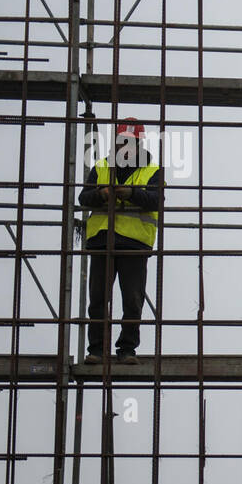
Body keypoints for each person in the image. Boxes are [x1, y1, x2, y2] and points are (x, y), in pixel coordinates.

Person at [77, 119, 165, 365]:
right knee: (97, 298)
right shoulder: (102, 167)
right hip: (102, 241)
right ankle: (96, 350)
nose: (125, 147)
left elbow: (157, 200)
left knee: (132, 300)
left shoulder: (152, 170)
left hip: (135, 244)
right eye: (121, 142)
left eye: (130, 142)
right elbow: (83, 197)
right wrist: (101, 194)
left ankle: (127, 349)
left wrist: (132, 193)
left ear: (139, 144)